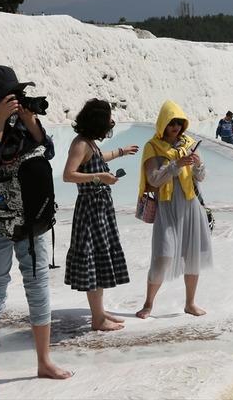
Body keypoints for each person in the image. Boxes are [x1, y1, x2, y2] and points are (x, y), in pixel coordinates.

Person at [0, 65, 70, 391]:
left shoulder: (22, 119)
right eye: (8, 97)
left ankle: (44, 360)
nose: (14, 102)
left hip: (32, 217)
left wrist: (31, 122)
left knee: (38, 285)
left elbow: (47, 150)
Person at [62, 99, 136, 331]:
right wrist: (99, 178)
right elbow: (68, 175)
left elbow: (97, 159)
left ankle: (99, 311)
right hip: (91, 210)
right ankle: (97, 318)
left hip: (99, 208)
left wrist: (121, 152)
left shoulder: (88, 143)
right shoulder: (80, 144)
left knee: (100, 260)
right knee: (95, 260)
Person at [136, 100, 213, 318]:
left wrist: (197, 164)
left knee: (192, 255)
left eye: (179, 123)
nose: (176, 128)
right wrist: (175, 165)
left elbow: (201, 177)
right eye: (171, 124)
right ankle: (148, 303)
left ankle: (190, 303)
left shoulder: (188, 143)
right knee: (163, 256)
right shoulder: (153, 147)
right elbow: (153, 179)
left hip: (190, 205)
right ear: (163, 124)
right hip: (167, 207)